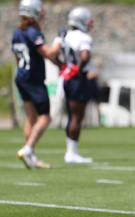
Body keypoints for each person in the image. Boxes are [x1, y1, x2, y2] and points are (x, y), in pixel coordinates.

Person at [12, 0, 61, 169]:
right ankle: (28, 149)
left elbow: (19, 58)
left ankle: (30, 157)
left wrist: (58, 64)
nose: (43, 14)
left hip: (21, 77)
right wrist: (59, 40)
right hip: (33, 79)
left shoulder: (17, 32)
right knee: (45, 117)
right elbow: (48, 52)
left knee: (31, 119)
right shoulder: (33, 32)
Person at [57, 7, 95, 163]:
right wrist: (77, 68)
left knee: (71, 115)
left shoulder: (63, 36)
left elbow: (52, 54)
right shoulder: (83, 37)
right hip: (78, 78)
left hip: (66, 78)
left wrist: (62, 67)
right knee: (77, 117)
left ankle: (70, 151)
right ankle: (71, 153)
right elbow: (85, 55)